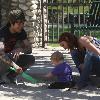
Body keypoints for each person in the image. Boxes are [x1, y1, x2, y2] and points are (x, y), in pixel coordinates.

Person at [0, 8, 35, 84]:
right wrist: (15, 66)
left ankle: (10, 76)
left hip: (9, 60)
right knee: (8, 55)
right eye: (19, 23)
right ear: (11, 23)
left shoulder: (21, 32)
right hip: (2, 61)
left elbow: (29, 49)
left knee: (30, 59)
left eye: (23, 23)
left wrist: (20, 49)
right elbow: (1, 54)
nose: (21, 26)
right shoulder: (2, 32)